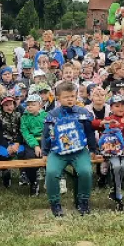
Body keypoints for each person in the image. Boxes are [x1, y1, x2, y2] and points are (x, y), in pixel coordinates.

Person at [42, 82, 98, 216]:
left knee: (85, 171)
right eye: (66, 97)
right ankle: (55, 204)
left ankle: (83, 201)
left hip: (79, 150)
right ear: (58, 98)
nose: (70, 99)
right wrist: (45, 152)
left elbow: (90, 132)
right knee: (51, 172)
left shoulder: (83, 113)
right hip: (58, 151)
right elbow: (46, 134)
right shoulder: (52, 115)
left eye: (72, 96)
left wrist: (93, 149)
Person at [20, 94, 47, 196]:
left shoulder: (46, 116)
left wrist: (43, 144)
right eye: (28, 105)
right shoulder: (24, 117)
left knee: (50, 157)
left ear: (40, 105)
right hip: (31, 142)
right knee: (29, 159)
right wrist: (35, 145)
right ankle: (33, 182)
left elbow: (49, 131)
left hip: (45, 141)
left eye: (33, 104)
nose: (30, 107)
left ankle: (51, 179)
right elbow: (25, 133)